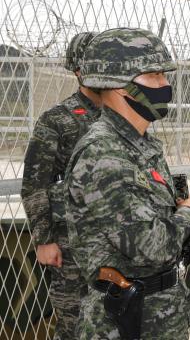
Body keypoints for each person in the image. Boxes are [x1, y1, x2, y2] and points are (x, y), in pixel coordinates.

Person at [64, 27, 190, 339]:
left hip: (158, 315)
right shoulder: (103, 153)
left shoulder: (140, 145)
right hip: (123, 323)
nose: (165, 85)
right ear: (118, 84)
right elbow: (149, 247)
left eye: (163, 75)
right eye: (154, 76)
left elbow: (144, 222)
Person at [20, 31, 101, 339]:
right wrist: (44, 239)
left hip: (119, 244)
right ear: (78, 70)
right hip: (72, 247)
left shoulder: (125, 116)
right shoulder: (57, 120)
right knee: (74, 325)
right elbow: (34, 184)